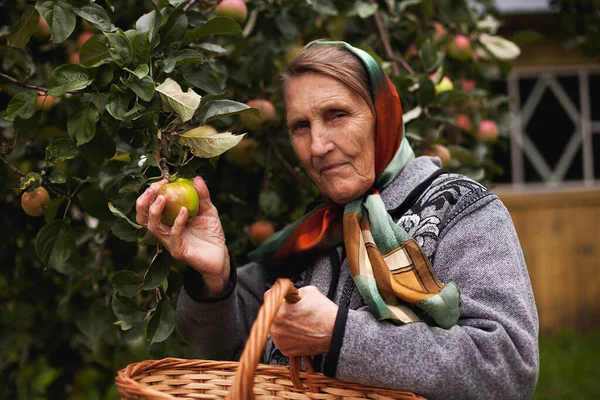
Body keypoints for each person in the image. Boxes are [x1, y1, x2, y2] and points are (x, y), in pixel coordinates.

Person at [135, 40, 539, 399]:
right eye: (300, 126)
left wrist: (341, 336)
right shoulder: (314, 233)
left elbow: (508, 367)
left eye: (337, 115)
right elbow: (219, 347)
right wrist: (215, 274)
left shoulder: (460, 209)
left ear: (383, 114)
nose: (318, 146)